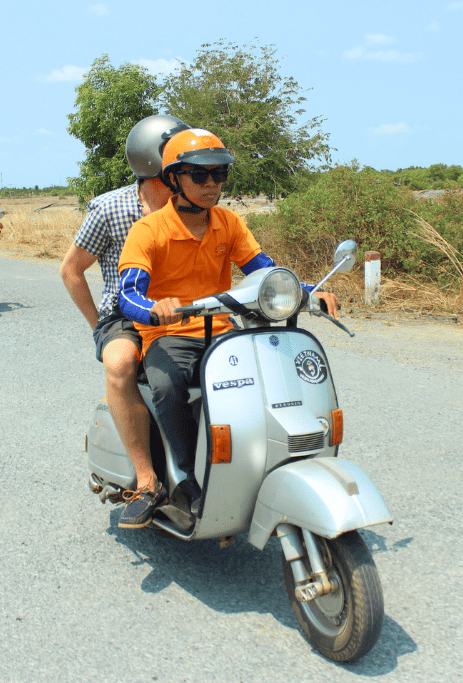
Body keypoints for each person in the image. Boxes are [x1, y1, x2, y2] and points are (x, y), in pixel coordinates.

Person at [117, 128, 339, 523]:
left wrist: (308, 293)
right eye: (200, 175)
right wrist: (154, 309)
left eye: (219, 175)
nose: (211, 185)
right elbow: (128, 295)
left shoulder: (228, 223)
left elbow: (264, 271)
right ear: (173, 179)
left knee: (269, 375)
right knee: (168, 386)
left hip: (220, 331)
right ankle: (186, 474)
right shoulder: (148, 230)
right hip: (169, 336)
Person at [60, 114, 190, 529]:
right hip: (126, 314)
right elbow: (71, 269)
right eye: (180, 164)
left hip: (187, 312)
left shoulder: (194, 206)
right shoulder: (111, 208)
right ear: (155, 165)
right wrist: (100, 323)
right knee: (119, 363)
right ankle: (148, 481)